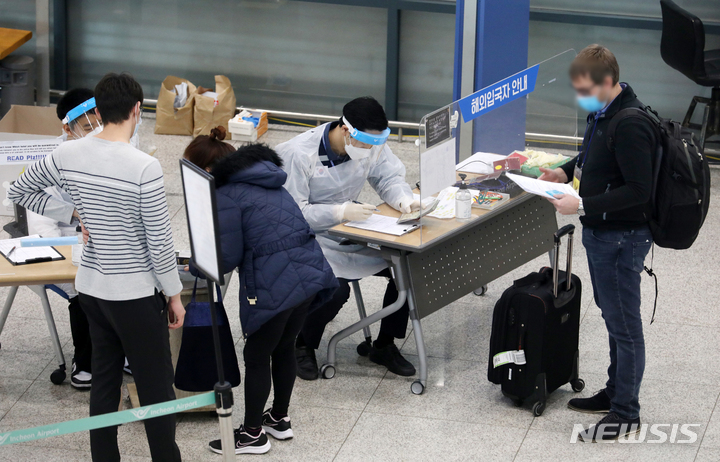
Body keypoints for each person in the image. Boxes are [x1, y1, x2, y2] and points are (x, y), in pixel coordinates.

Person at [8, 73, 185, 461]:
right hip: (134, 295)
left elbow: (17, 191)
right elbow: (159, 243)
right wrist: (174, 294)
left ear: (98, 112)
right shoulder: (144, 167)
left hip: (91, 288)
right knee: (156, 389)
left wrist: (71, 212)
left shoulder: (67, 153)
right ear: (137, 110)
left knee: (104, 381)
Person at [183, 130, 337, 455]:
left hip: (275, 282)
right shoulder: (268, 179)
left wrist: (193, 267)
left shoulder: (226, 193)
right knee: (283, 348)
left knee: (256, 355)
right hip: (308, 275)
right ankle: (278, 419)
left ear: (207, 170)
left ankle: (252, 434)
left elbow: (225, 257)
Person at [539, 44, 655, 442]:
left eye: (586, 88)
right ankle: (615, 392)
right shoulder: (603, 112)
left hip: (622, 237)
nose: (581, 96)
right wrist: (564, 170)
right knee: (612, 317)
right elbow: (596, 156)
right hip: (603, 235)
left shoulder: (631, 123)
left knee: (625, 325)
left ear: (609, 82)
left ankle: (626, 413)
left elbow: (640, 190)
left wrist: (583, 202)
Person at [276, 96, 420, 380]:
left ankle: (384, 344)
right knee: (335, 289)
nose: (371, 150)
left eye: (376, 143)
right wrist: (340, 211)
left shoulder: (372, 144)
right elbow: (294, 213)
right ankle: (303, 345)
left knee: (409, 268)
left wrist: (405, 200)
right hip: (308, 236)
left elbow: (388, 178)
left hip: (350, 230)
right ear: (345, 131)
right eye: (366, 143)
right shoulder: (296, 154)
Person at [27, 88, 97, 389]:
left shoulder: (113, 146)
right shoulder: (49, 163)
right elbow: (43, 229)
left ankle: (123, 353)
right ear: (67, 128)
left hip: (103, 241)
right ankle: (86, 360)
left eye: (100, 123)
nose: (96, 132)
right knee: (85, 292)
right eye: (86, 127)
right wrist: (74, 223)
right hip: (63, 244)